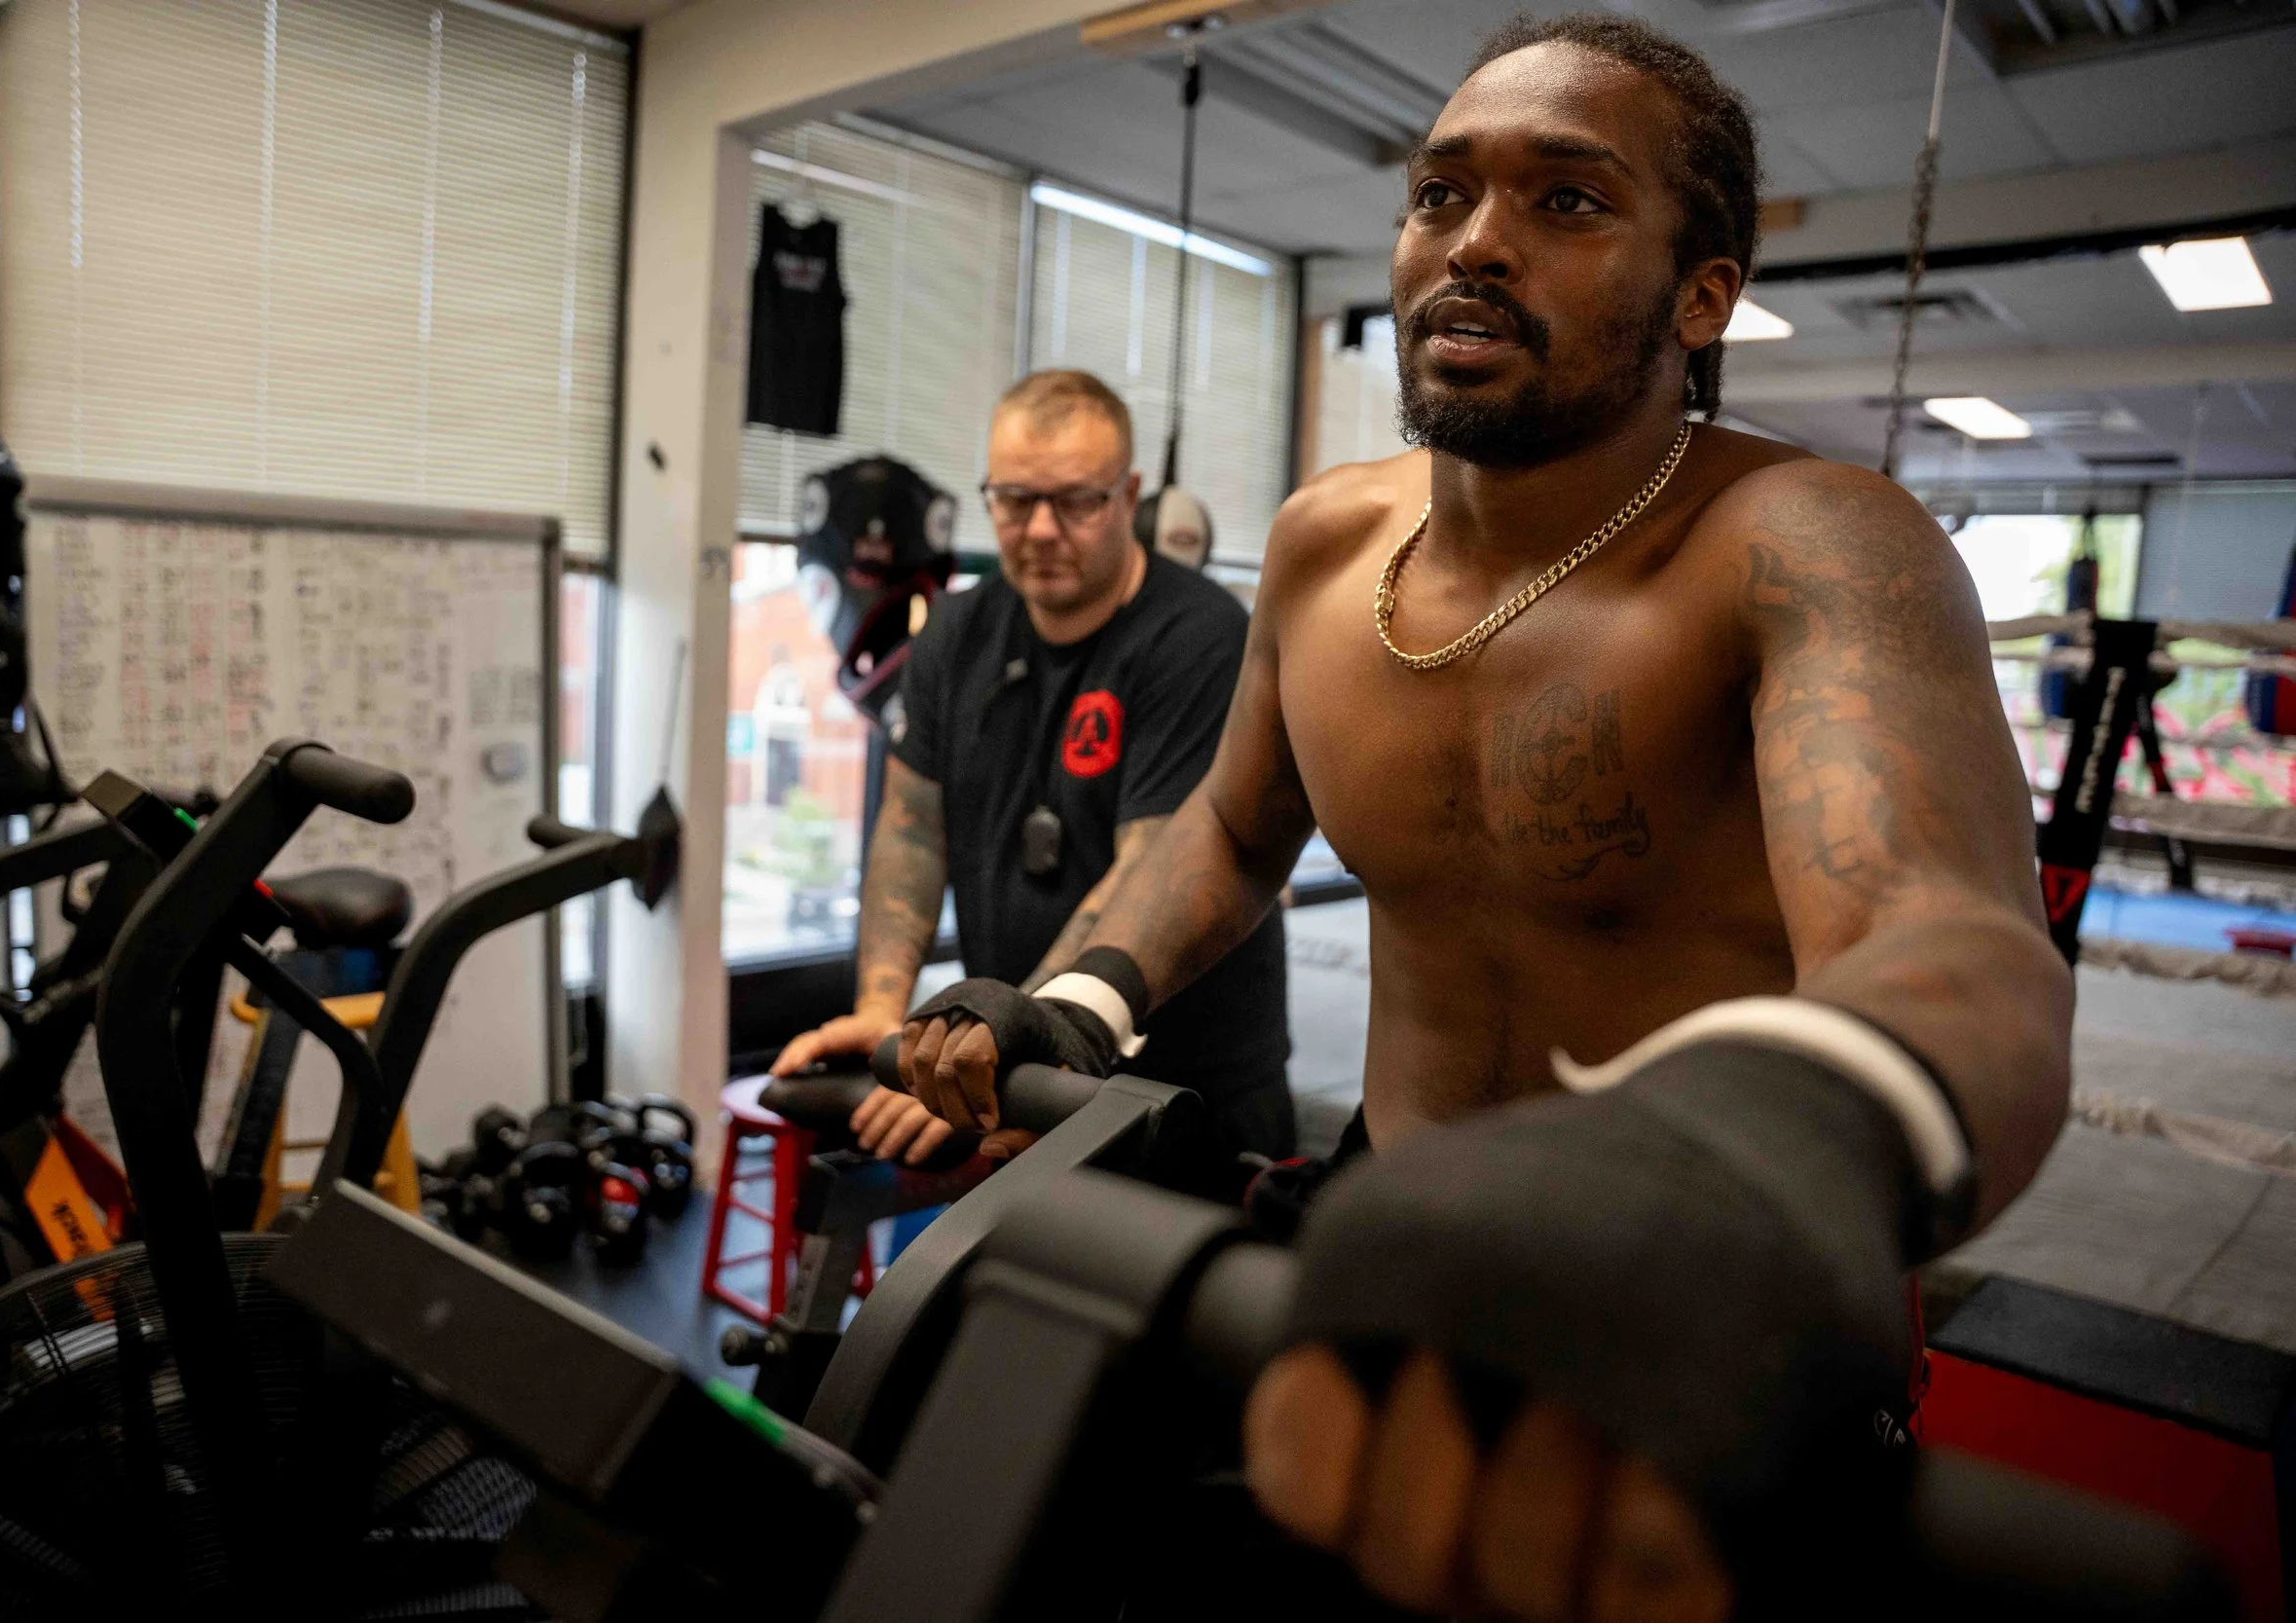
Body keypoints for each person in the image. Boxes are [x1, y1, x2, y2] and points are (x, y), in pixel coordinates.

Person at [889, 17, 2071, 1619]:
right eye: (1440, 196)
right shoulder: (1321, 548)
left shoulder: (1806, 544)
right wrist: (1076, 999)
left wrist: (1764, 1158)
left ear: (1704, 291)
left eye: (1567, 204)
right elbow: (1234, 830)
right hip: (1399, 1229)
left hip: (1713, 1277)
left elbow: (1948, 939)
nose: (1478, 244)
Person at [771, 369, 1295, 1170]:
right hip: (1009, 1075)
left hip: (1181, 1095)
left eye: (1077, 501)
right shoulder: (955, 630)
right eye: (1014, 500)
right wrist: (885, 1014)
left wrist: (1006, 1040)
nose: (1041, 529)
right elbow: (911, 829)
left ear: (1129, 493)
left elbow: (1147, 872)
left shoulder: (1201, 638)